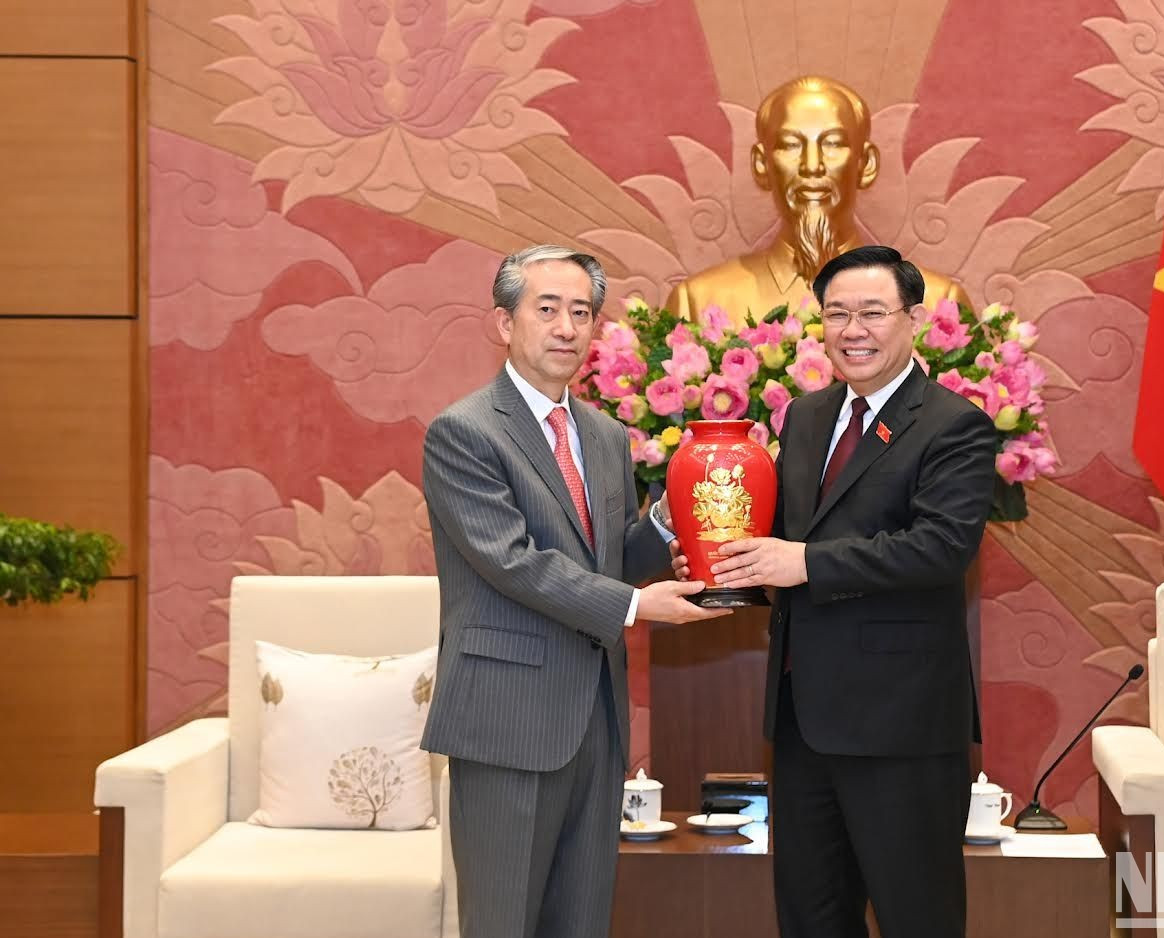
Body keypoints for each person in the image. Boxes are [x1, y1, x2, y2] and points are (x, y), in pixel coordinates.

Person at [420, 244, 728, 938]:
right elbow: (513, 562)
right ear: (504, 323)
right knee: (504, 922)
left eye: (581, 312)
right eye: (547, 309)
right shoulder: (464, 433)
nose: (566, 327)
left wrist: (673, 517)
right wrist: (635, 605)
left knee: (581, 922)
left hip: (595, 718)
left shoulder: (605, 434)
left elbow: (609, 551)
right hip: (507, 719)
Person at [688, 245, 997, 937]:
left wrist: (804, 563)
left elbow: (941, 548)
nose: (853, 329)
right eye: (836, 313)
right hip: (804, 724)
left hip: (901, 727)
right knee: (812, 917)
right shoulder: (805, 417)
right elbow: (785, 541)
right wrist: (726, 561)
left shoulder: (953, 425)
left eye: (872, 312)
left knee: (917, 916)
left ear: (912, 319)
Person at [666, 76, 970, 326]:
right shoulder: (698, 303)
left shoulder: (936, 304)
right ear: (761, 164)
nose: (812, 166)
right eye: (790, 145)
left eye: (833, 144)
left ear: (866, 164)